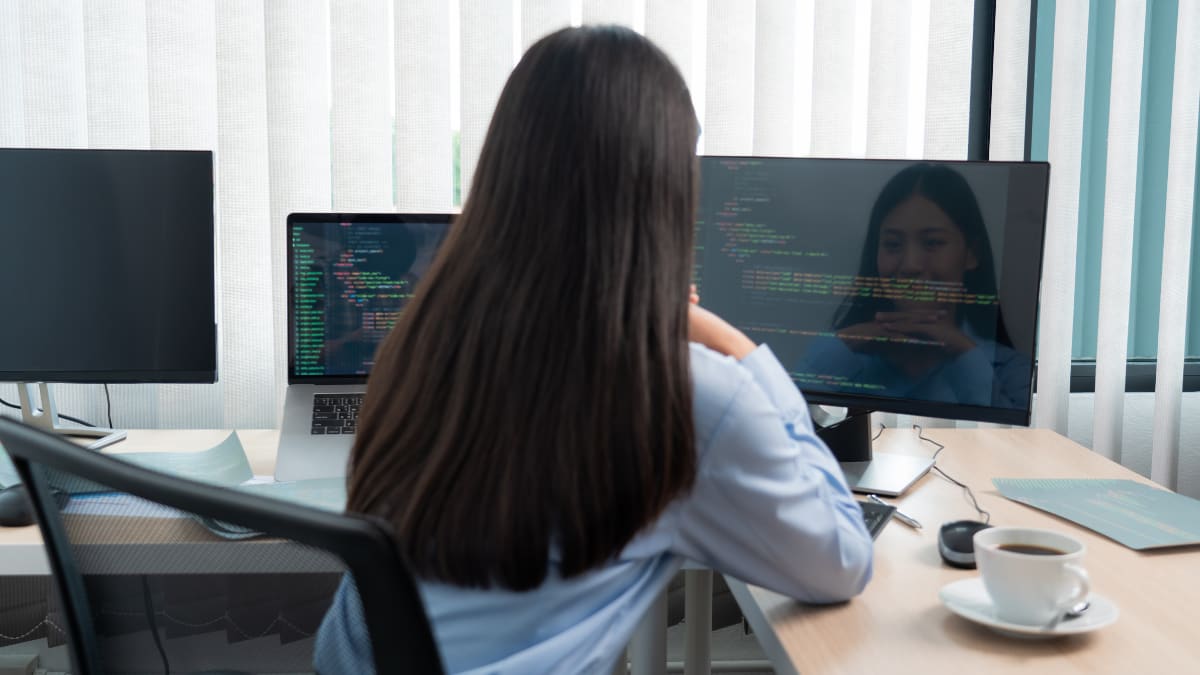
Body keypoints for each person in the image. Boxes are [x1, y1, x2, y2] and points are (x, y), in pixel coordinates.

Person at [314, 25, 872, 674]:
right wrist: (739, 348)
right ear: (665, 195)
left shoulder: (427, 335)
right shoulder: (683, 393)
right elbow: (840, 562)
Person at [799, 163, 1030, 409]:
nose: (910, 265)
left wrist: (963, 352)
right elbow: (782, 425)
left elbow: (1006, 442)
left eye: (932, 243)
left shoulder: (1011, 371)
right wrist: (845, 343)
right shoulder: (840, 355)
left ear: (971, 253)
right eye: (893, 244)